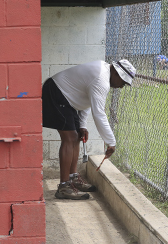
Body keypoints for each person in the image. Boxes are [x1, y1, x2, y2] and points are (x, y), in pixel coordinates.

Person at [42, 59, 135, 200]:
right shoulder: (100, 79)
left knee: (77, 135)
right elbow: (99, 113)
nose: (122, 86)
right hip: (56, 93)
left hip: (67, 98)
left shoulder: (102, 73)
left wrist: (82, 126)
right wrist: (111, 142)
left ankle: (72, 178)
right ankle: (64, 187)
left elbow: (86, 100)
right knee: (70, 138)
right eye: (123, 81)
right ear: (116, 72)